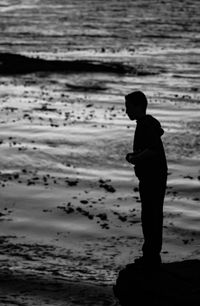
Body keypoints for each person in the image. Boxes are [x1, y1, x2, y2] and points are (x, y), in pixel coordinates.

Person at [125, 90, 168, 267]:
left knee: (151, 216)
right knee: (151, 215)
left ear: (138, 106)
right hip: (152, 177)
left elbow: (153, 150)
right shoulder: (145, 123)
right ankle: (150, 254)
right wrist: (136, 155)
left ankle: (151, 256)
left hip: (154, 178)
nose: (126, 111)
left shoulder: (146, 124)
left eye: (128, 107)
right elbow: (149, 148)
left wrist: (136, 158)